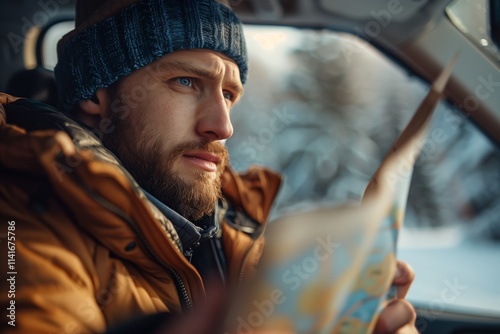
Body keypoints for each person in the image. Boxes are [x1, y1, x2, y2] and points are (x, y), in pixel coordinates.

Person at [0, 0, 417, 333]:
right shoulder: (23, 224)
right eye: (186, 82)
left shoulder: (234, 229)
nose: (222, 126)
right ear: (97, 93)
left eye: (230, 94)